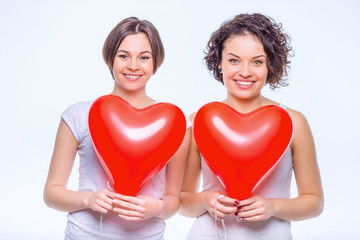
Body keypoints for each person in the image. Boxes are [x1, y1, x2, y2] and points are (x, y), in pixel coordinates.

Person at [43, 17, 191, 240]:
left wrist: (156, 208)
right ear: (110, 58)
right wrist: (89, 200)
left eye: (144, 57)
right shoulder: (78, 115)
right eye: (123, 56)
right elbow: (51, 193)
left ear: (155, 62)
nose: (133, 66)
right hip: (84, 234)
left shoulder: (174, 123)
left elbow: (172, 200)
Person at [180, 13, 323, 240]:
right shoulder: (199, 120)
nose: (245, 72)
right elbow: (183, 201)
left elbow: (314, 202)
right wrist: (205, 200)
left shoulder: (294, 122)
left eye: (257, 61)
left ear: (270, 66)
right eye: (234, 60)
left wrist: (273, 207)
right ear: (219, 64)